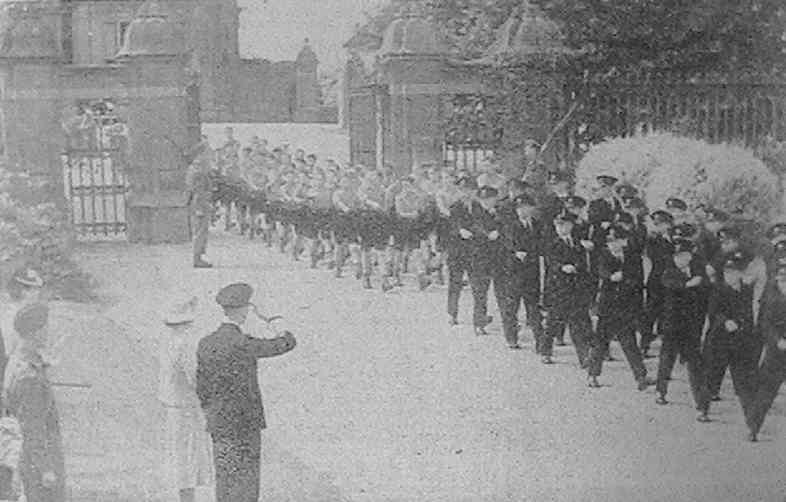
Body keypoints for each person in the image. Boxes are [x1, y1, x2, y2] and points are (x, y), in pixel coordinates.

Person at [196, 283, 297, 502]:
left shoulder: (205, 343)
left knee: (225, 481)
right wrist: (273, 320)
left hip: (219, 422)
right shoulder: (243, 343)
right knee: (247, 485)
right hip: (245, 423)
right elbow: (287, 342)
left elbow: (201, 389)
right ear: (244, 310)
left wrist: (212, 412)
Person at [3, 303, 66, 502]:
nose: (49, 332)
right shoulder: (29, 376)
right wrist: (46, 468)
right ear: (36, 332)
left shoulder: (18, 360)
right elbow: (32, 428)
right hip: (37, 463)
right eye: (46, 327)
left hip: (25, 458)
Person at [695, 246, 761, 424]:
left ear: (741, 273)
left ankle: (751, 419)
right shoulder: (718, 289)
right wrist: (725, 321)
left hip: (739, 341)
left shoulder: (747, 290)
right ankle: (703, 409)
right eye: (726, 272)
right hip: (718, 340)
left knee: (742, 380)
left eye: (734, 272)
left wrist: (742, 326)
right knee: (712, 377)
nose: (729, 276)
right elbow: (713, 312)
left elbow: (748, 314)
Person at [159, 297, 213, 502]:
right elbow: (194, 377)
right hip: (187, 406)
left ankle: (185, 498)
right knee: (188, 458)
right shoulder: (184, 344)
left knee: (179, 455)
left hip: (173, 404)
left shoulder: (167, 340)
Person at [588, 226, 652, 389]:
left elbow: (638, 281)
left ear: (624, 241)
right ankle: (592, 375)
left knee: (629, 342)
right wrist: (611, 276)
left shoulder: (633, 256)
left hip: (625, 306)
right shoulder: (604, 255)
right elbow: (602, 271)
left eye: (615, 241)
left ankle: (641, 377)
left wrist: (637, 306)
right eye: (609, 241)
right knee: (600, 342)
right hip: (608, 306)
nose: (612, 244)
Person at [655, 238, 706, 407]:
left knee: (695, 364)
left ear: (690, 256)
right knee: (666, 360)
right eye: (676, 255)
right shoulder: (669, 272)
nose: (679, 259)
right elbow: (671, 284)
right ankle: (660, 391)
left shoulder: (697, 271)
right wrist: (689, 283)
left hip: (691, 326)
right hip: (672, 326)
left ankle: (700, 403)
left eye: (683, 255)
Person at [541, 212, 592, 365]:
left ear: (571, 226)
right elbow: (551, 263)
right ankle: (546, 351)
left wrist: (576, 268)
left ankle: (583, 357)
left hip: (574, 289)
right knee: (552, 322)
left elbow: (583, 264)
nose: (561, 228)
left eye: (564, 225)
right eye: (558, 225)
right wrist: (563, 267)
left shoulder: (577, 243)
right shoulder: (551, 243)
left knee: (576, 324)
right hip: (558, 289)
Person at [496, 194, 544, 349]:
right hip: (513, 272)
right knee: (512, 307)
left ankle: (540, 342)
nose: (522, 211)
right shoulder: (509, 226)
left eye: (525, 207)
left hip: (532, 271)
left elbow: (541, 245)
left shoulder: (537, 225)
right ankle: (511, 338)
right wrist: (514, 253)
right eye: (519, 208)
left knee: (534, 307)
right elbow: (504, 248)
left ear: (532, 209)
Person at [746, 263, 786, 441]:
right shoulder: (771, 297)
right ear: (777, 278)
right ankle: (753, 428)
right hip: (776, 352)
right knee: (766, 391)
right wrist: (778, 340)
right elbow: (765, 324)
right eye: (783, 278)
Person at [466, 186, 504, 336]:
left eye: (491, 199)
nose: (488, 202)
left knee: (502, 291)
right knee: (480, 292)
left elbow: (506, 227)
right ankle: (479, 322)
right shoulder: (474, 213)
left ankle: (507, 323)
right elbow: (474, 229)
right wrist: (488, 234)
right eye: (485, 199)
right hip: (479, 258)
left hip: (498, 258)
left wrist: (499, 231)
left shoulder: (500, 212)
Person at [640, 210, 675, 358]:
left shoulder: (673, 238)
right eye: (657, 224)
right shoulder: (653, 240)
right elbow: (657, 257)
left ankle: (665, 344)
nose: (660, 227)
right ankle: (644, 345)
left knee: (667, 313)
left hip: (670, 281)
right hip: (657, 280)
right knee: (651, 313)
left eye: (663, 224)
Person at [445, 176, 477, 325]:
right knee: (455, 284)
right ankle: (452, 314)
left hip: (474, 252)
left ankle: (480, 319)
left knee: (478, 285)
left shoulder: (479, 207)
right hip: (457, 252)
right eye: (463, 190)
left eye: (469, 190)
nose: (466, 193)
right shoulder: (455, 207)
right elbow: (451, 226)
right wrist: (459, 231)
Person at [185, 140, 216, 268]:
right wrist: (200, 208)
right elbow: (197, 190)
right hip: (200, 203)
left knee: (202, 231)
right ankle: (197, 259)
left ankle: (199, 257)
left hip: (201, 202)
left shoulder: (198, 168)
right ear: (201, 154)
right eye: (207, 152)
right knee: (200, 232)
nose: (209, 155)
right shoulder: (199, 170)